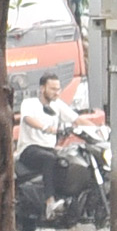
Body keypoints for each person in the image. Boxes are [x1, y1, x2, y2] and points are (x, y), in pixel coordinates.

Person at [16, 73, 81, 220]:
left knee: (68, 161)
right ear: (42, 88)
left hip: (50, 149)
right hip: (29, 148)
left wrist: (99, 129)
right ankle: (49, 203)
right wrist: (47, 128)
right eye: (52, 89)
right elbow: (28, 119)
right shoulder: (29, 103)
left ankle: (66, 202)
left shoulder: (57, 105)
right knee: (49, 159)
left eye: (58, 89)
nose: (56, 92)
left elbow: (76, 119)